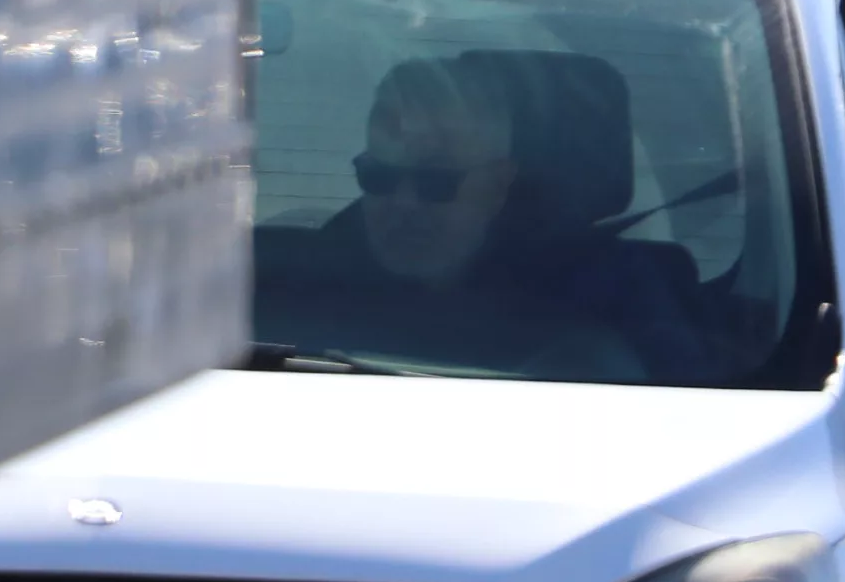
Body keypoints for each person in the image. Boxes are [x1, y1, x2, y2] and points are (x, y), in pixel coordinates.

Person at [266, 53, 704, 380]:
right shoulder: (282, 280)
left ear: (497, 185)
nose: (403, 202)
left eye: (436, 183)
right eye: (378, 176)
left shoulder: (622, 302)